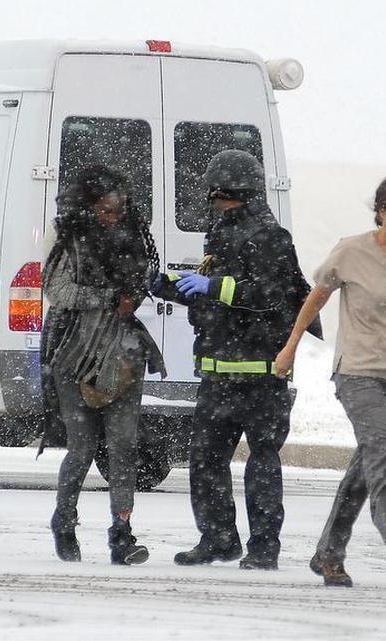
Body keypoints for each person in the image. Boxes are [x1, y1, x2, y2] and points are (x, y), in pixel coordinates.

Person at [274, 171, 386, 593]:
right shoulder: (349, 251)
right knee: (384, 460)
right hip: (358, 372)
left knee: (366, 468)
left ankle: (328, 554)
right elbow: (316, 297)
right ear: (383, 211)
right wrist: (290, 347)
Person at [154, 149, 314, 571]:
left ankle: (264, 548)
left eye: (214, 194)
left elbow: (267, 295)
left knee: (262, 461)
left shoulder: (269, 236)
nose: (210, 201)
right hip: (217, 372)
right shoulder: (221, 232)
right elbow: (216, 292)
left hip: (261, 375)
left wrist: (213, 286)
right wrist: (167, 286)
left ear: (226, 191)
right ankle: (219, 540)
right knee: (206, 460)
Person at [41, 165, 165, 565]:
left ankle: (121, 534)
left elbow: (143, 280)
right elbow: (58, 292)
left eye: (119, 209)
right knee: (81, 447)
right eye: (106, 210)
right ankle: (64, 521)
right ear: (87, 207)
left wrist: (134, 295)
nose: (114, 216)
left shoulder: (133, 238)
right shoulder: (69, 240)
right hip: (74, 353)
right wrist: (109, 296)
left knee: (124, 447)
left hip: (124, 352)